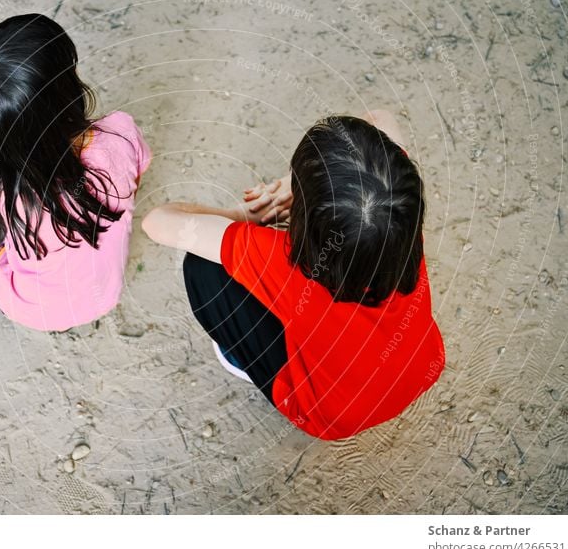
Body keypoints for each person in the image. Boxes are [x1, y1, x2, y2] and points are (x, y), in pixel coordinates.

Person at [142, 110, 445, 439]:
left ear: (306, 217)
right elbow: (382, 118)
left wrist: (242, 215)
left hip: (329, 417)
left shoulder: (276, 256)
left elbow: (156, 221)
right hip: (422, 367)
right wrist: (303, 182)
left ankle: (240, 357)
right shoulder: (400, 215)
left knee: (203, 268)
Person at [0, 14, 151, 331]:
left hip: (34, 310)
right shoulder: (120, 133)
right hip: (105, 292)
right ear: (69, 87)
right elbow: (134, 180)